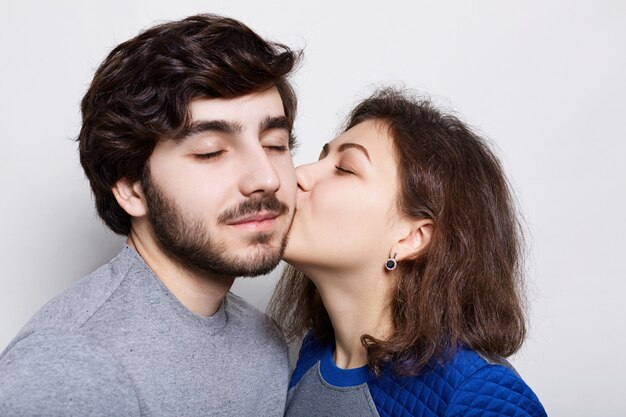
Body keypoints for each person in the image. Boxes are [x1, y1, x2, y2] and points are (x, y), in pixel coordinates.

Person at [0, 14, 300, 416]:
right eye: (211, 151)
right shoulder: (70, 367)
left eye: (276, 144)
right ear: (131, 188)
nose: (265, 177)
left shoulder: (264, 340)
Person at [269, 88, 547, 416]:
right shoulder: (309, 355)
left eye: (344, 168)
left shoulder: (479, 393)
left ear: (412, 238)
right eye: (321, 157)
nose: (299, 174)